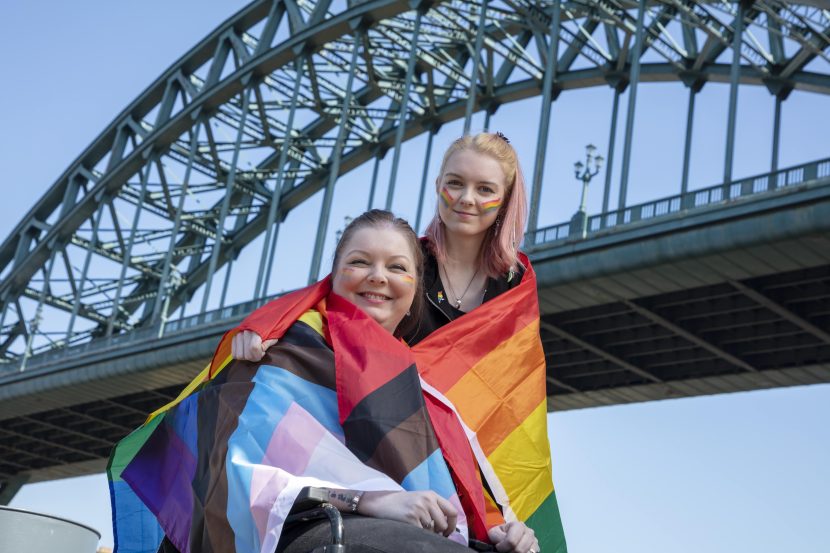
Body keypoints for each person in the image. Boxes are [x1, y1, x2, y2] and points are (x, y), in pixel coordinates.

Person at [108, 210, 542, 553]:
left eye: (397, 267)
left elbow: (470, 507)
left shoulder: (431, 403)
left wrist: (508, 533)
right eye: (359, 262)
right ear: (331, 278)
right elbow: (229, 474)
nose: (378, 276)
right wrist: (371, 499)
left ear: (415, 289)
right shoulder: (281, 354)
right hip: (302, 534)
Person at [229, 133, 564, 553]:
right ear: (438, 183)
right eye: (454, 183)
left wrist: (500, 520)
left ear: (508, 198)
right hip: (372, 417)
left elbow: (505, 401)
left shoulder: (515, 287)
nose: (466, 199)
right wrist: (264, 323)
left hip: (444, 447)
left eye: (485, 190)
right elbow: (333, 293)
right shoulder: (404, 261)